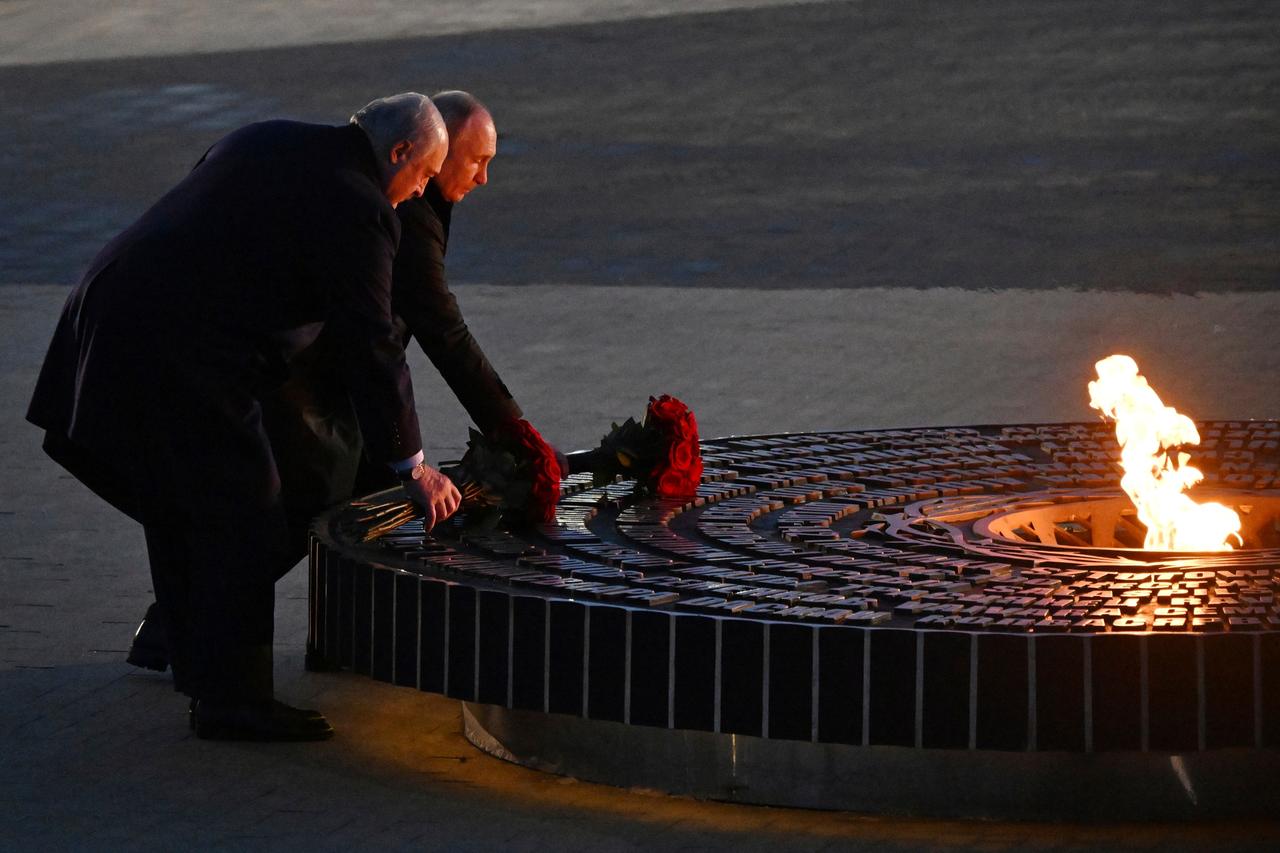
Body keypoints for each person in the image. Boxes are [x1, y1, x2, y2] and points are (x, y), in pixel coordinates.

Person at [27, 93, 461, 741]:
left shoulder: (266, 136)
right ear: (398, 152)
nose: (419, 192)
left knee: (179, 501)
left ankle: (191, 654)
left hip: (106, 311)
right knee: (248, 508)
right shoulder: (363, 205)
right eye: (424, 175)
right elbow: (372, 341)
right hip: (185, 349)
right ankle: (234, 699)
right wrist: (413, 464)